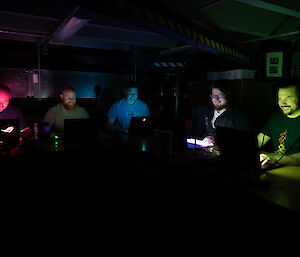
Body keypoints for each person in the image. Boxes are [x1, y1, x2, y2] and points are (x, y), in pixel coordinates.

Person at [189, 79, 250, 145]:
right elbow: (197, 134)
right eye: (213, 95)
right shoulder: (207, 112)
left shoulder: (238, 116)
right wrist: (206, 138)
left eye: (220, 96)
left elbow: (242, 142)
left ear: (228, 96)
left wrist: (215, 140)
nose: (215, 99)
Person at [258, 81, 300, 167]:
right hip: (276, 167)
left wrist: (275, 158)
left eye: (288, 98)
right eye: (279, 99)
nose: (282, 103)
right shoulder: (275, 118)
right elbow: (259, 141)